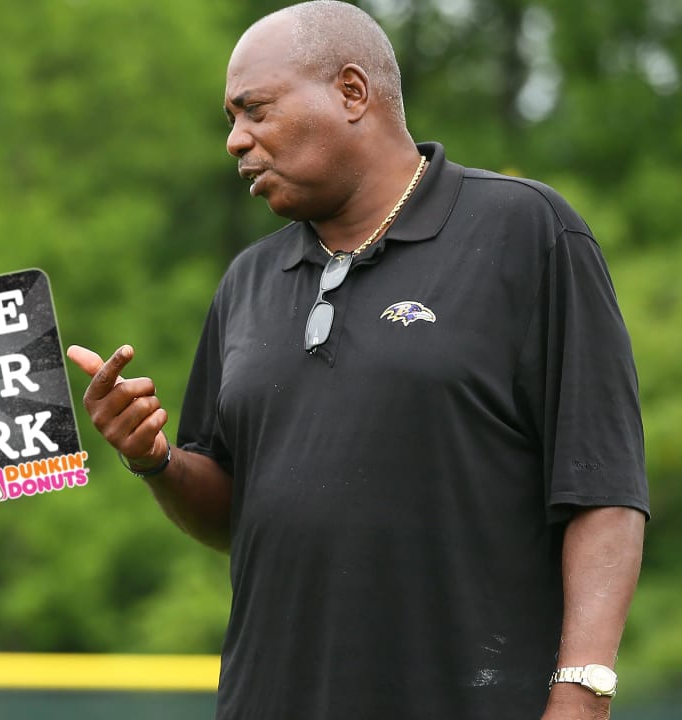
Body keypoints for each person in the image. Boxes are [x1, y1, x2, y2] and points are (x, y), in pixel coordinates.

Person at [67, 3, 649, 719]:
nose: (235, 141)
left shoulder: (525, 232)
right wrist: (153, 459)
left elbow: (603, 486)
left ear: (351, 92)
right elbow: (238, 517)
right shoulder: (248, 280)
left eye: (255, 111)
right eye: (230, 120)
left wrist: (583, 693)